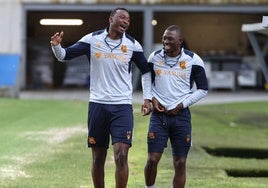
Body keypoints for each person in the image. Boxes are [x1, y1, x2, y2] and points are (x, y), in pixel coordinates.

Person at [50, 7, 152, 188]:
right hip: (98, 105)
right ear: (111, 19)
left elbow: (146, 71)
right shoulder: (92, 40)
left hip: (122, 107)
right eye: (122, 18)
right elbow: (64, 56)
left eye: (128, 19)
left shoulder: (133, 45)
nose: (126, 21)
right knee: (98, 158)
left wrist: (147, 98)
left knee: (121, 155)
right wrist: (56, 46)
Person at [143, 25, 208, 188]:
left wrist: (181, 105)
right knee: (152, 159)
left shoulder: (194, 60)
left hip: (181, 117)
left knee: (180, 162)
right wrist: (152, 99)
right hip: (159, 116)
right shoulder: (154, 57)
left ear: (180, 41)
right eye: (164, 38)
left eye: (170, 39)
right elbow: (146, 80)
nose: (165, 41)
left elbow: (203, 89)